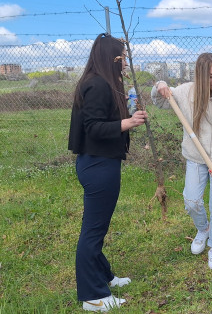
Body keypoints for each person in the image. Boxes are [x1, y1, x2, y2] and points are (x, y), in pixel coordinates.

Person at [68, 33, 148, 312]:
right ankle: (92, 297)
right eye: (121, 57)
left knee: (97, 228)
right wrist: (128, 122)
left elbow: (102, 119)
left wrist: (126, 113)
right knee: (92, 231)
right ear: (110, 58)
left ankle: (104, 276)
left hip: (100, 163)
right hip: (98, 165)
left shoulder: (101, 83)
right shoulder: (98, 85)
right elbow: (94, 127)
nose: (125, 62)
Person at [151, 53, 212, 270]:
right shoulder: (186, 93)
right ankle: (203, 229)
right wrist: (160, 86)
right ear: (199, 77)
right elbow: (162, 100)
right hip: (196, 157)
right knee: (191, 201)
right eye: (210, 76)